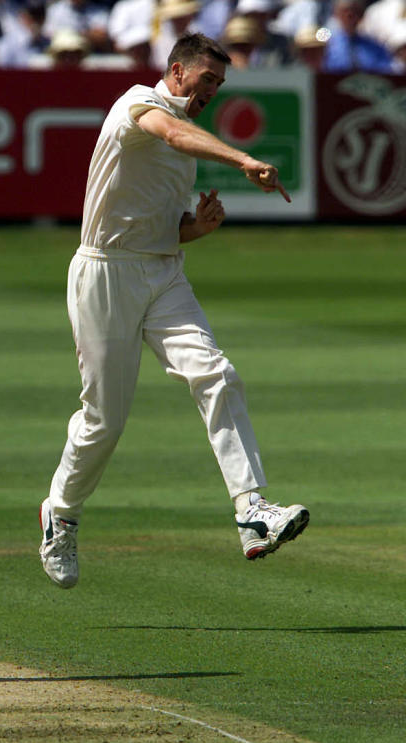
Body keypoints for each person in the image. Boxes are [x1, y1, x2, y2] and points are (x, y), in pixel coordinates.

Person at [38, 32, 309, 590]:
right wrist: (241, 159)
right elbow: (173, 132)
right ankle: (60, 514)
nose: (212, 89)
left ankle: (252, 510)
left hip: (163, 272)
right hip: (104, 272)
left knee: (217, 373)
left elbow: (161, 222)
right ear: (177, 72)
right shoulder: (138, 104)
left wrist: (196, 230)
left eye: (220, 83)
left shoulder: (184, 132)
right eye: (206, 79)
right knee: (104, 421)